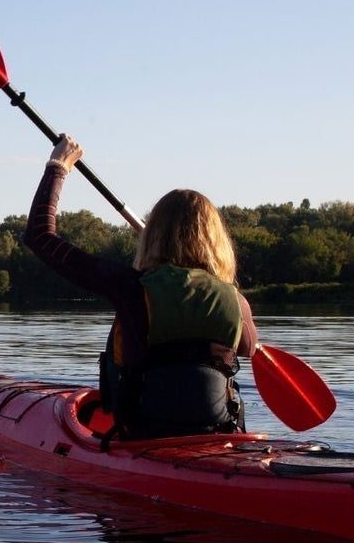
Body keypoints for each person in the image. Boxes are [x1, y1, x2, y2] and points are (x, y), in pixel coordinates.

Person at [25, 136, 258, 439]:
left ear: (152, 236)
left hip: (144, 435)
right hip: (219, 434)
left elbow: (40, 236)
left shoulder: (130, 287)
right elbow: (249, 348)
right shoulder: (236, 301)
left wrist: (58, 166)